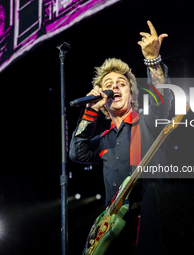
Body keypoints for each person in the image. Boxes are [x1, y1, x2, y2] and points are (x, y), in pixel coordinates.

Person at [69, 20, 172, 254]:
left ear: (131, 92)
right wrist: (90, 110)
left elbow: (161, 101)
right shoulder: (104, 140)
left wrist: (153, 60)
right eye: (108, 85)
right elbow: (77, 152)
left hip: (149, 220)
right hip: (115, 231)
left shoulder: (146, 121)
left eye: (121, 83)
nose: (114, 87)